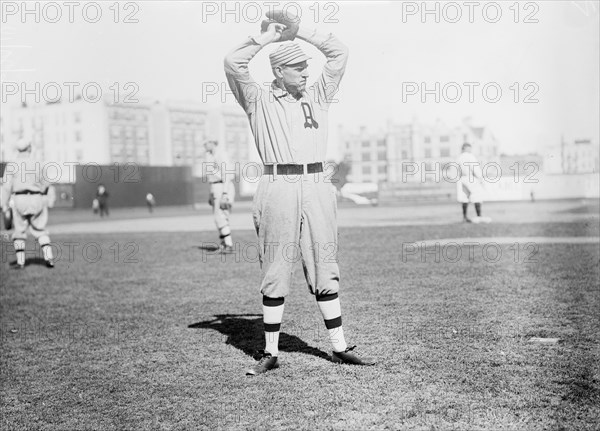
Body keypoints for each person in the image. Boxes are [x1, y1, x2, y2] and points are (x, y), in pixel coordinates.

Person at [225, 10, 375, 375]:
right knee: (276, 267)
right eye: (298, 68)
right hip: (277, 184)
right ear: (278, 71)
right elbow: (233, 62)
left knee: (325, 263)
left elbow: (339, 52)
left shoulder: (319, 94)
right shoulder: (257, 99)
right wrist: (269, 39)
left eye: (307, 68)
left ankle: (339, 347)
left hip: (317, 184)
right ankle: (270, 352)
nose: (307, 73)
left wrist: (299, 32)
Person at [0, 137, 56, 269]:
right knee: (40, 230)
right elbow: (46, 183)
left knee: (19, 231)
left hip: (19, 199)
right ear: (29, 148)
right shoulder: (37, 163)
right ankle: (49, 259)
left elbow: (6, 187)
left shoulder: (12, 164)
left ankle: (20, 262)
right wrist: (44, 196)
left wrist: (4, 204)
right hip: (37, 198)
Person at [204, 139, 235, 253]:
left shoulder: (221, 154)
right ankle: (224, 244)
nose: (204, 145)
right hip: (215, 187)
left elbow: (226, 174)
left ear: (212, 143)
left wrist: (225, 193)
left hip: (223, 186)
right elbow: (212, 177)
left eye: (205, 143)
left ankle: (228, 245)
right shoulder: (210, 156)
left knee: (221, 216)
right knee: (218, 218)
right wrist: (210, 194)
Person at [456, 143, 491, 224]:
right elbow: (475, 168)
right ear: (465, 148)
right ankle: (479, 216)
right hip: (470, 177)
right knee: (477, 195)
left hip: (462, 178)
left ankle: (464, 217)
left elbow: (457, 168)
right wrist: (480, 177)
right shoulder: (470, 156)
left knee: (464, 197)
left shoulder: (459, 157)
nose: (470, 150)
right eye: (469, 148)